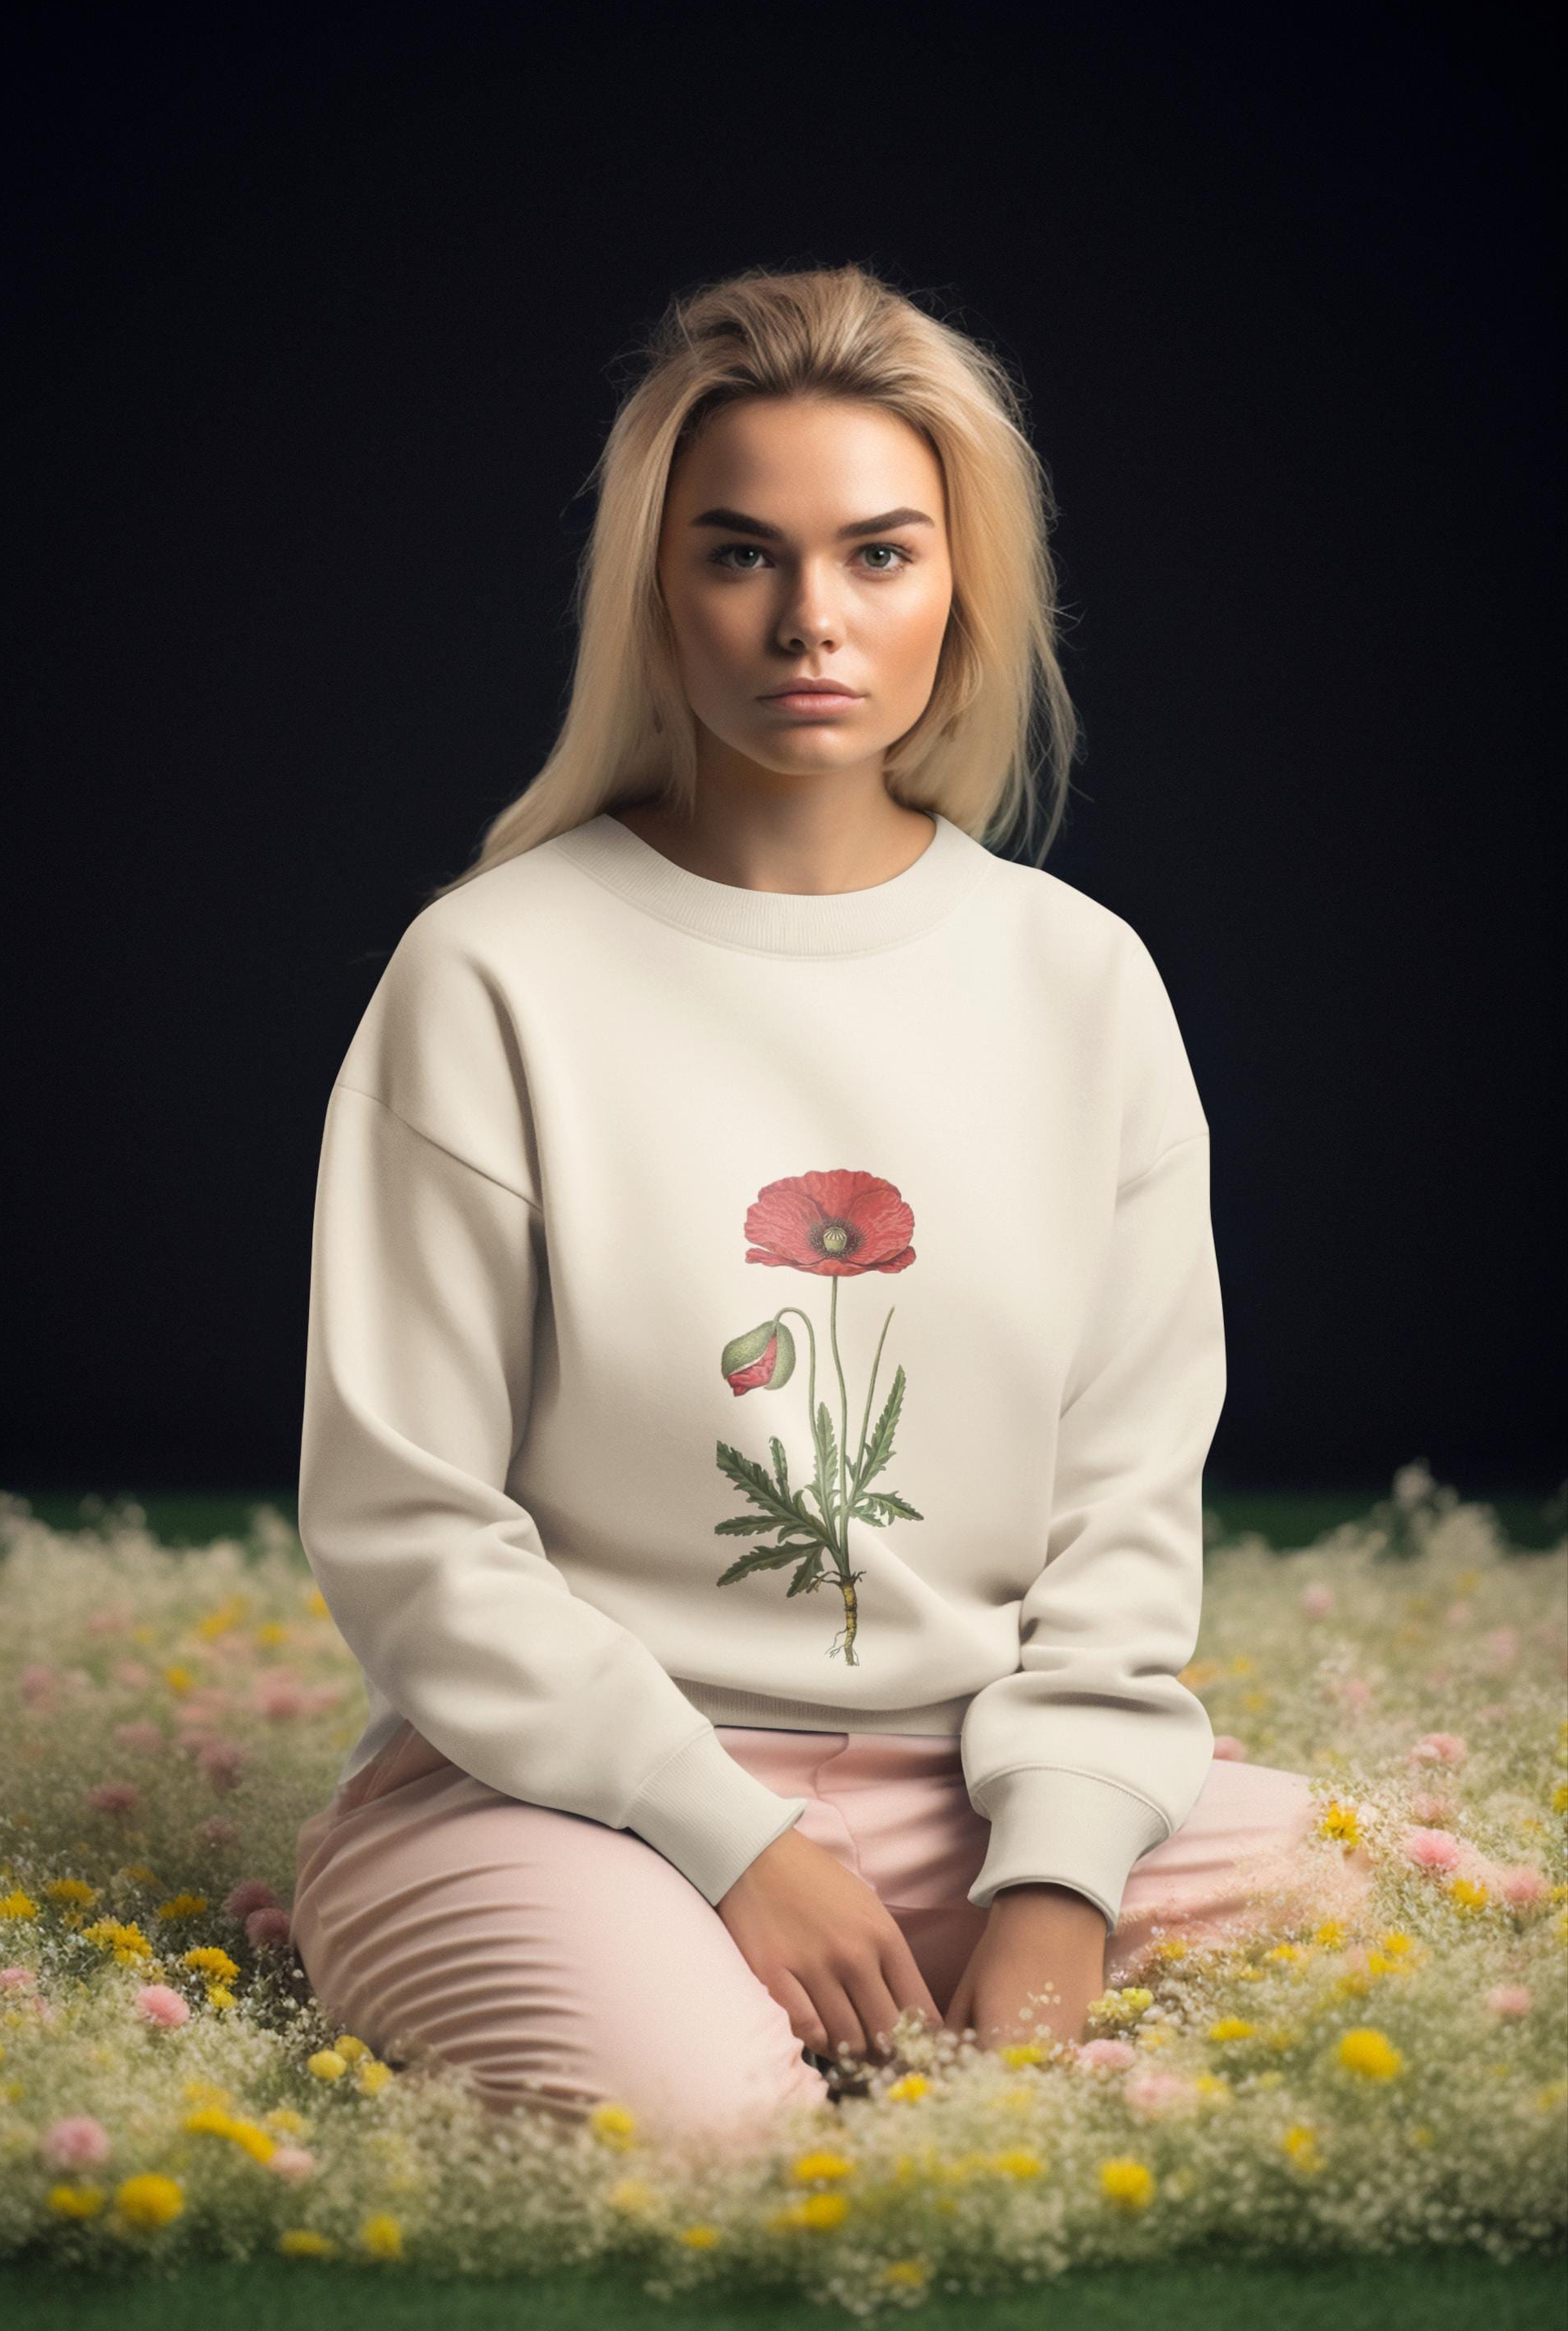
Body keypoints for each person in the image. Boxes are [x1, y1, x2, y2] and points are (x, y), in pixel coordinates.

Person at [289, 262, 1373, 2154]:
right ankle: (509, 1939)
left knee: (1387, 1918)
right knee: (715, 2126)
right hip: (573, 1795)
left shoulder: (1080, 980)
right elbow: (410, 1528)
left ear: (962, 590)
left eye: (878, 554)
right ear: (656, 588)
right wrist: (733, 1845)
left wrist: (1050, 1891)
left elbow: (1121, 1515)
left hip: (968, 1787)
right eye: (739, 556)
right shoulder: (489, 973)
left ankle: (915, 1945)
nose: (812, 618)